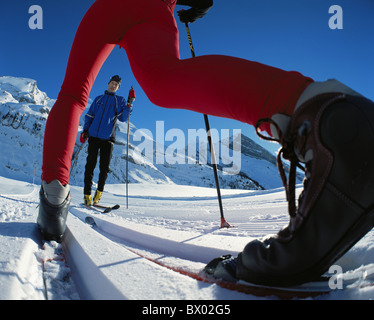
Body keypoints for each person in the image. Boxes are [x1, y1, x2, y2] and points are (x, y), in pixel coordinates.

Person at [37, 0, 374, 288]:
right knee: (164, 80)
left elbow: (97, 109)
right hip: (156, 7)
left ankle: (54, 198)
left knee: (72, 94)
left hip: (111, 8)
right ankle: (324, 110)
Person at [80, 75, 132, 206]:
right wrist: (85, 130)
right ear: (108, 83)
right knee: (90, 166)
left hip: (108, 139)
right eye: (112, 83)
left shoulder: (118, 100)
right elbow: (89, 116)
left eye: (117, 85)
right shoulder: (99, 99)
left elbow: (123, 118)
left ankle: (98, 194)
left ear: (118, 88)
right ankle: (87, 195)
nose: (114, 85)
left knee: (104, 168)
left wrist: (129, 104)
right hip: (93, 137)